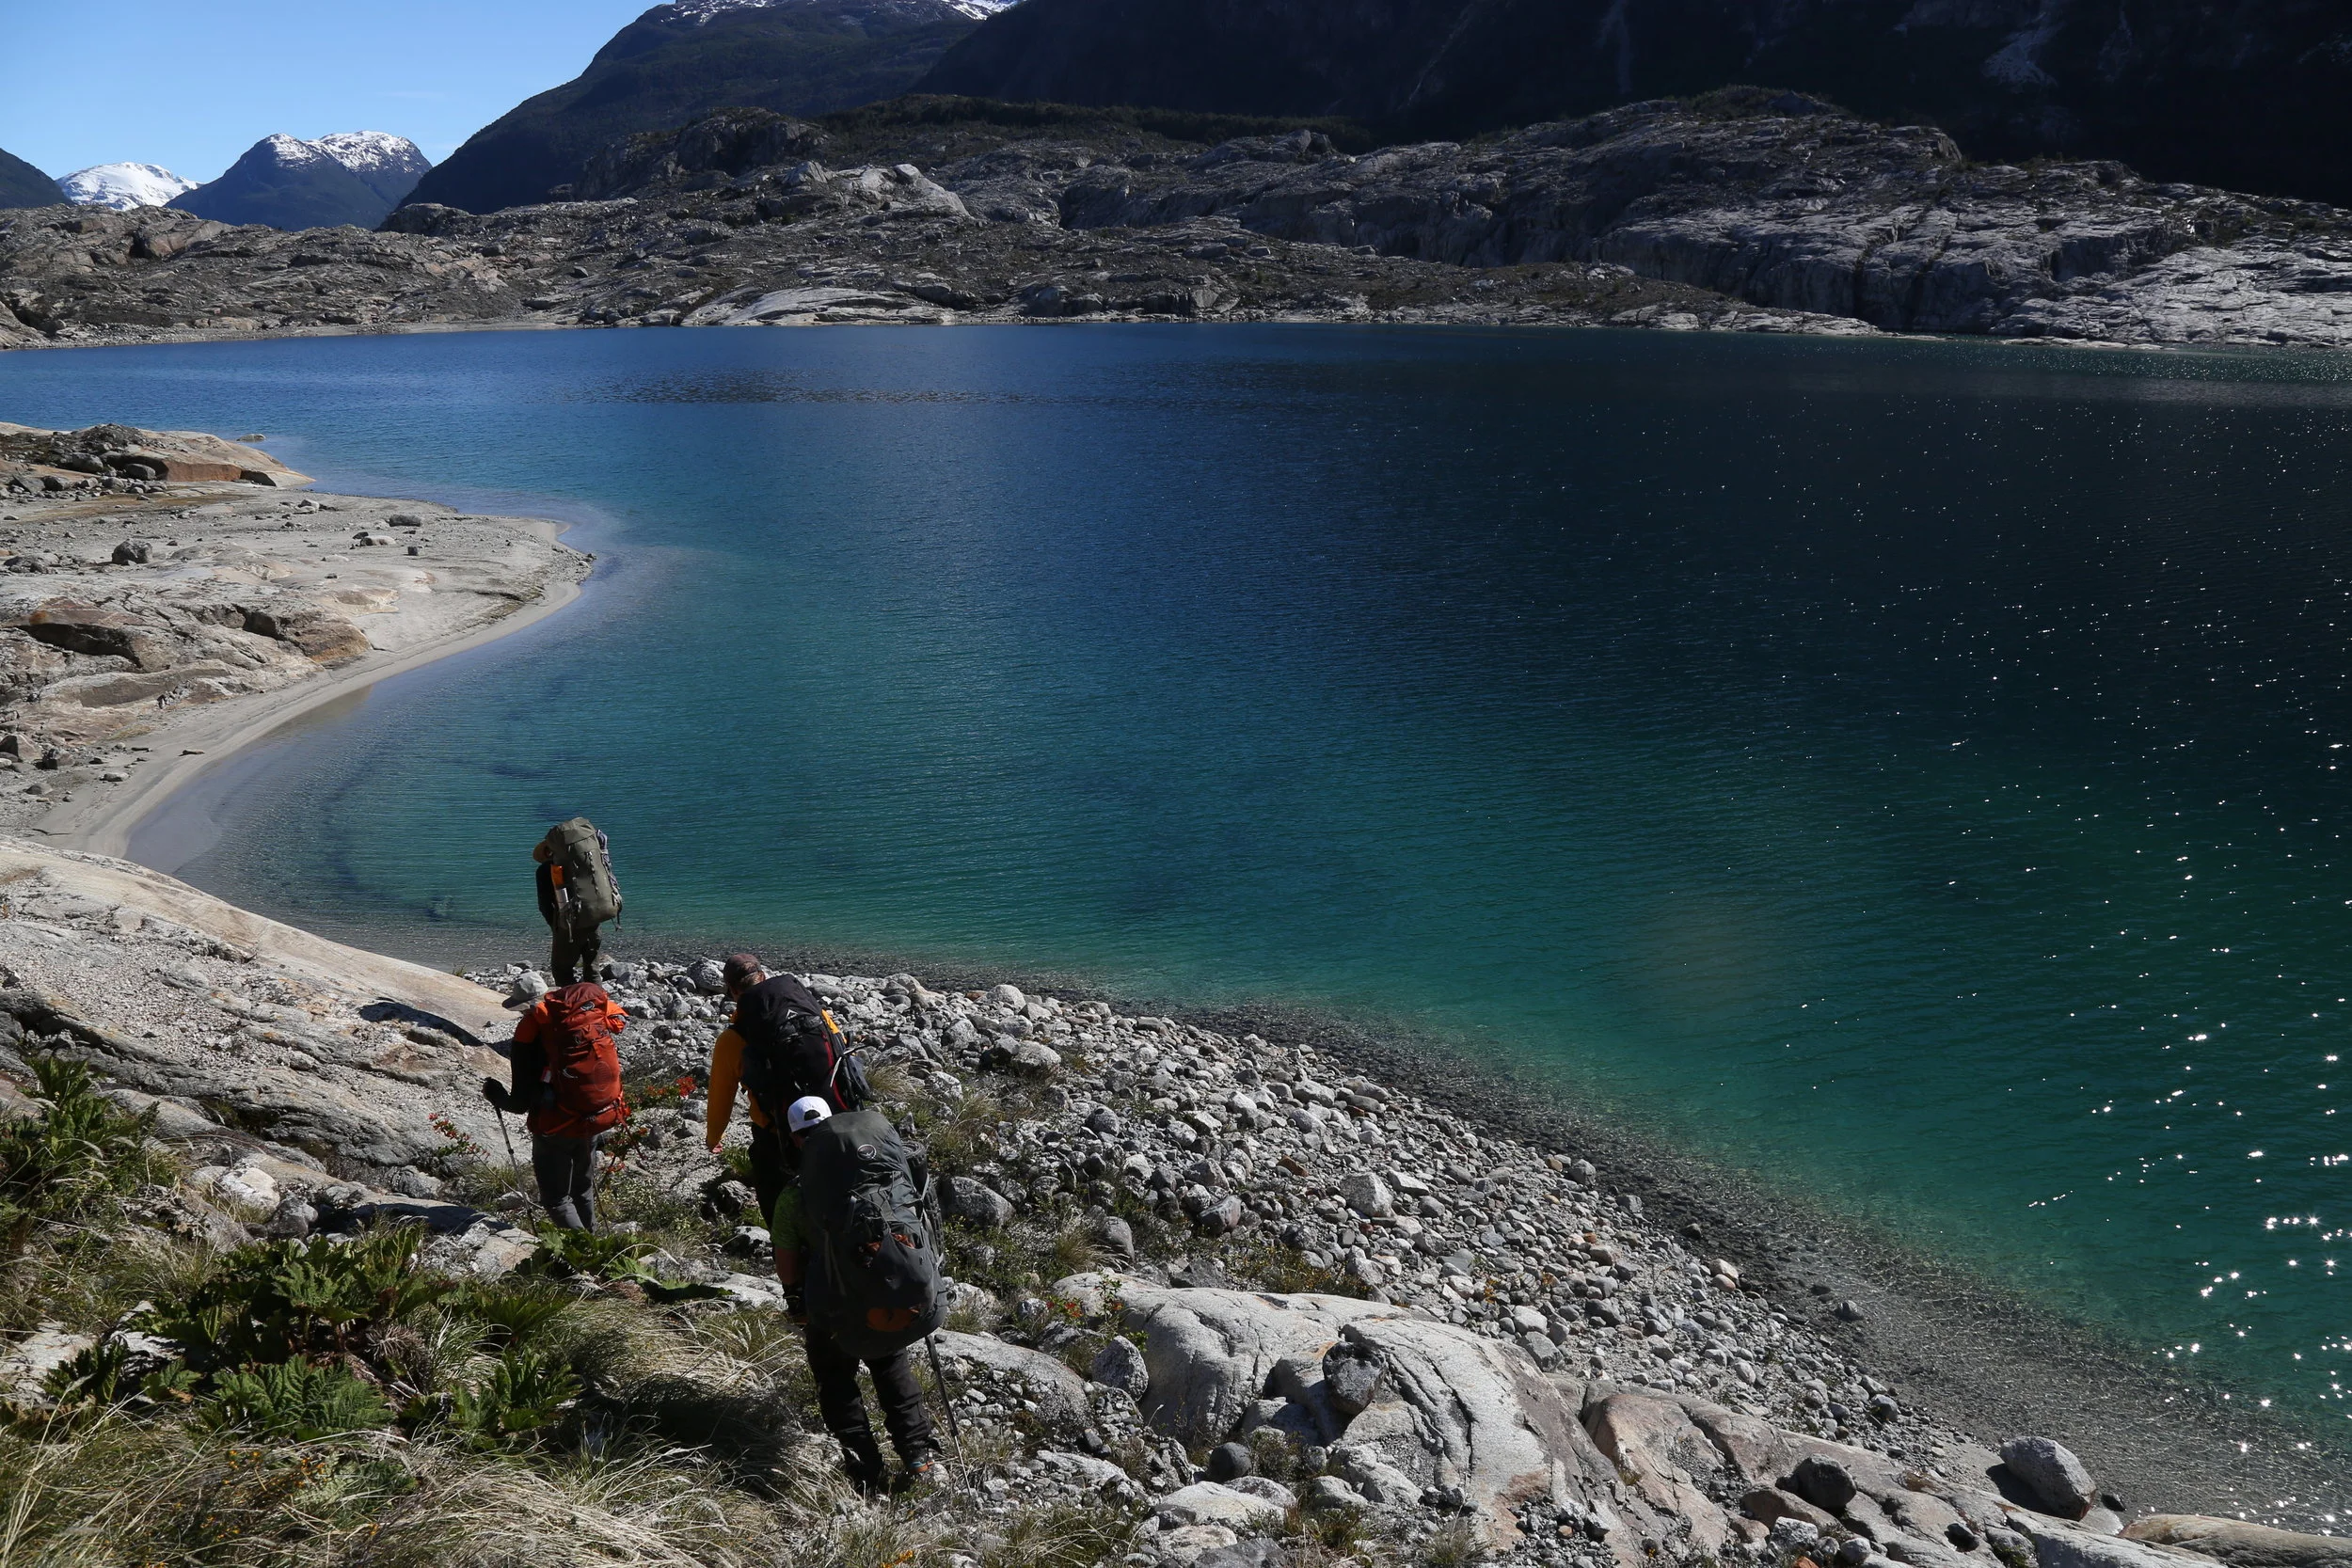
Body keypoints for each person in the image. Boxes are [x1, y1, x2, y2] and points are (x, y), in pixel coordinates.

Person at [771, 1095, 940, 1489]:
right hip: (888, 1295)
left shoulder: (796, 1195)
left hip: (833, 1306)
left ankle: (865, 1468)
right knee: (891, 1367)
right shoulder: (883, 1178)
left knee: (835, 1380)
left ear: (796, 1139)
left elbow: (787, 1262)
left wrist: (796, 1299)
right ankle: (918, 1458)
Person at [703, 953, 856, 1225]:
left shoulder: (733, 1038)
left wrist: (713, 1138)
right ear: (763, 977)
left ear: (732, 991)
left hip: (778, 1136)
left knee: (780, 1216)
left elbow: (720, 1098)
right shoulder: (814, 1013)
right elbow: (840, 1049)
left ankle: (785, 1246)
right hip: (836, 1121)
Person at [483, 972, 630, 1231]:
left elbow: (519, 1103)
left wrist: (495, 1094)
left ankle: (584, 1252)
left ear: (527, 1006)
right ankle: (595, 1241)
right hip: (594, 1116)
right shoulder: (579, 1021)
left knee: (556, 1200)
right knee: (582, 1189)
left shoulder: (529, 1033)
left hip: (555, 1126)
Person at [533, 819, 619, 985]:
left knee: (562, 971)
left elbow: (544, 906)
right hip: (593, 922)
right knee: (592, 970)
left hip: (569, 928)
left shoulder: (545, 871)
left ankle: (572, 1000)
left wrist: (557, 927)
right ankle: (597, 1000)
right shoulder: (587, 862)